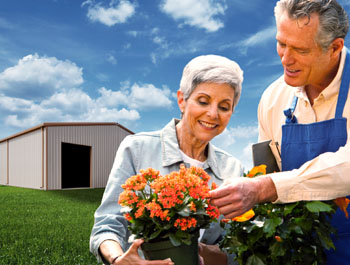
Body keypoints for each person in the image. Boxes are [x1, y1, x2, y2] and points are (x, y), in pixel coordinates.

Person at [210, 0, 350, 264]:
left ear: (334, 47)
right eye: (282, 44)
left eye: (300, 49)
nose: (286, 59)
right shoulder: (273, 98)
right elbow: (265, 171)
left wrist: (265, 187)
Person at [90, 54, 244, 265]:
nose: (212, 113)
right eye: (203, 101)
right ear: (182, 100)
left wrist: (199, 252)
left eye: (224, 107)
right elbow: (107, 226)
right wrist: (118, 259)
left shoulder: (233, 169)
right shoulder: (136, 149)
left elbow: (237, 247)